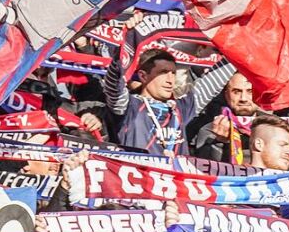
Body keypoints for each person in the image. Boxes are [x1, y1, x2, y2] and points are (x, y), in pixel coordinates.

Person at [104, 42, 234, 155]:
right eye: (162, 73)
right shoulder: (129, 106)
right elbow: (113, 84)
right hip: (139, 180)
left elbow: (218, 76)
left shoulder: (180, 108)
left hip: (174, 182)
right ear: (143, 76)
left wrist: (243, 44)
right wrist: (128, 42)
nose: (170, 80)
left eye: (173, 73)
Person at [193, 72, 260, 162]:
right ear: (226, 95)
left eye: (250, 91)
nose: (243, 98)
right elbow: (205, 167)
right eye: (236, 92)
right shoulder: (210, 129)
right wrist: (220, 143)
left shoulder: (274, 126)